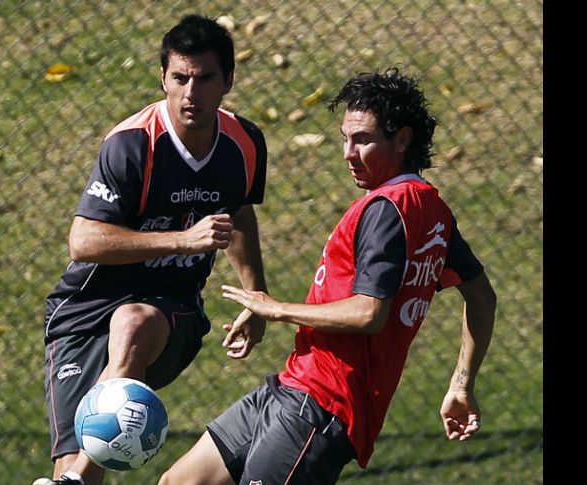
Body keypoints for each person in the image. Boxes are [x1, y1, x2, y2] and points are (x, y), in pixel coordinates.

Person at [159, 68, 497, 485]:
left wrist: (274, 308)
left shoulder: (388, 209)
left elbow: (368, 313)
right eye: (345, 138)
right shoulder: (433, 211)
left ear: (402, 140)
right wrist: (462, 383)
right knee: (179, 481)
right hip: (293, 385)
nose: (348, 153)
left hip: (321, 406)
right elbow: (483, 297)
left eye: (363, 140)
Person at [32, 14, 268, 485]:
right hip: (84, 313)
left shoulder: (244, 145)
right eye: (180, 78)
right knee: (73, 461)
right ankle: (75, 476)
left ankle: (75, 477)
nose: (190, 93)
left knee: (134, 322)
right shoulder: (132, 145)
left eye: (205, 79)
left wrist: (256, 297)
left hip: (171, 311)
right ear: (163, 78)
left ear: (228, 81)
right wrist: (183, 239)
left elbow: (239, 214)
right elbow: (83, 241)